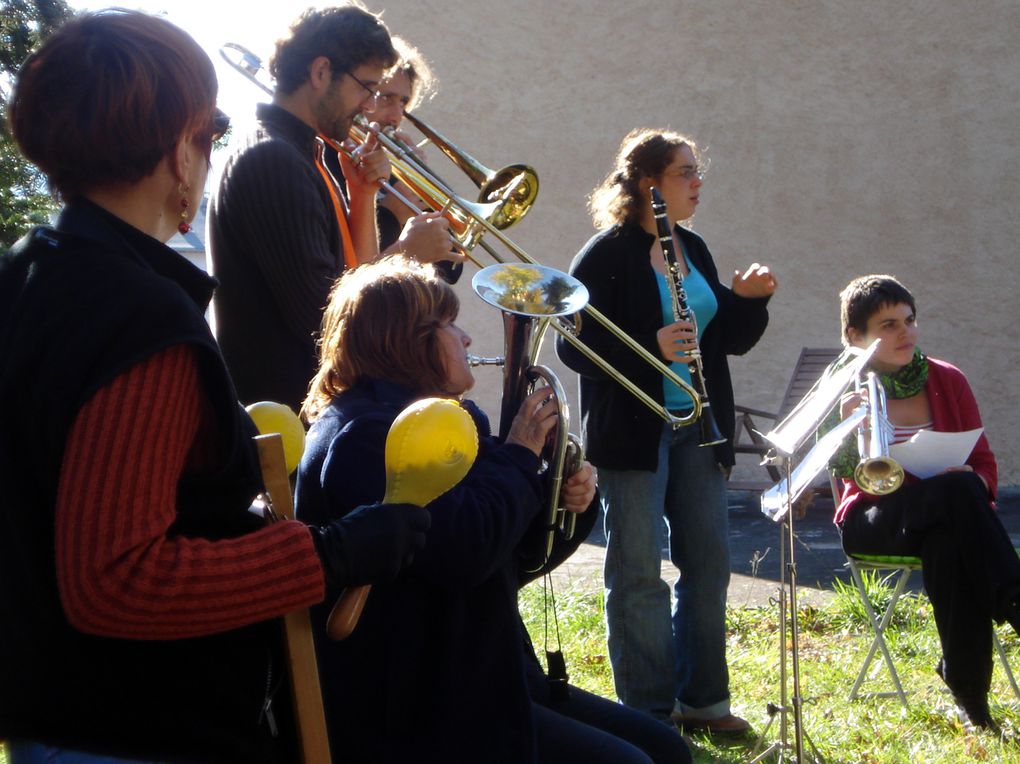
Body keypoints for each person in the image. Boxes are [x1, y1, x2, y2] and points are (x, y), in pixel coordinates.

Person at [0, 11, 430, 763]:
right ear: (175, 153)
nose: (206, 157)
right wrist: (329, 554)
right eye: (207, 135)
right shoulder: (138, 317)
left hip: (51, 708)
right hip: (135, 725)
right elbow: (117, 579)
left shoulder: (31, 268)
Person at [295, 257, 691, 763]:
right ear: (405, 339)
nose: (465, 338)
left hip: (482, 673)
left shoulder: (442, 421)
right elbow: (466, 553)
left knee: (666, 748)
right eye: (448, 325)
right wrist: (521, 454)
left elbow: (514, 560)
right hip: (422, 706)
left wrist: (566, 500)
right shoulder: (368, 435)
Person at [556, 128, 777, 734]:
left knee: (707, 564)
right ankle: (649, 715)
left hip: (698, 424)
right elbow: (572, 344)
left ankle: (704, 703)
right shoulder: (604, 254)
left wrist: (750, 300)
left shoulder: (694, 247)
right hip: (634, 433)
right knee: (638, 574)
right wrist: (646, 348)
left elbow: (725, 338)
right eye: (686, 172)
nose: (697, 181)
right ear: (649, 183)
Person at [208, 4, 460, 412]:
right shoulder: (273, 159)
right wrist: (405, 255)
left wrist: (361, 196)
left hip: (312, 412)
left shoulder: (308, 155)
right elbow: (325, 317)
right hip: (288, 424)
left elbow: (352, 274)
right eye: (367, 88)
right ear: (321, 72)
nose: (368, 105)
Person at [826, 274, 1020, 731]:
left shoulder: (947, 379)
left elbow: (984, 464)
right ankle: (1014, 598)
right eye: (888, 324)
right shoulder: (842, 386)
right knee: (956, 498)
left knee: (950, 541)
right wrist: (847, 428)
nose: (906, 333)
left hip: (947, 519)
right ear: (856, 335)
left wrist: (971, 476)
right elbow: (845, 477)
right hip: (873, 515)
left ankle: (970, 698)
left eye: (909, 320)